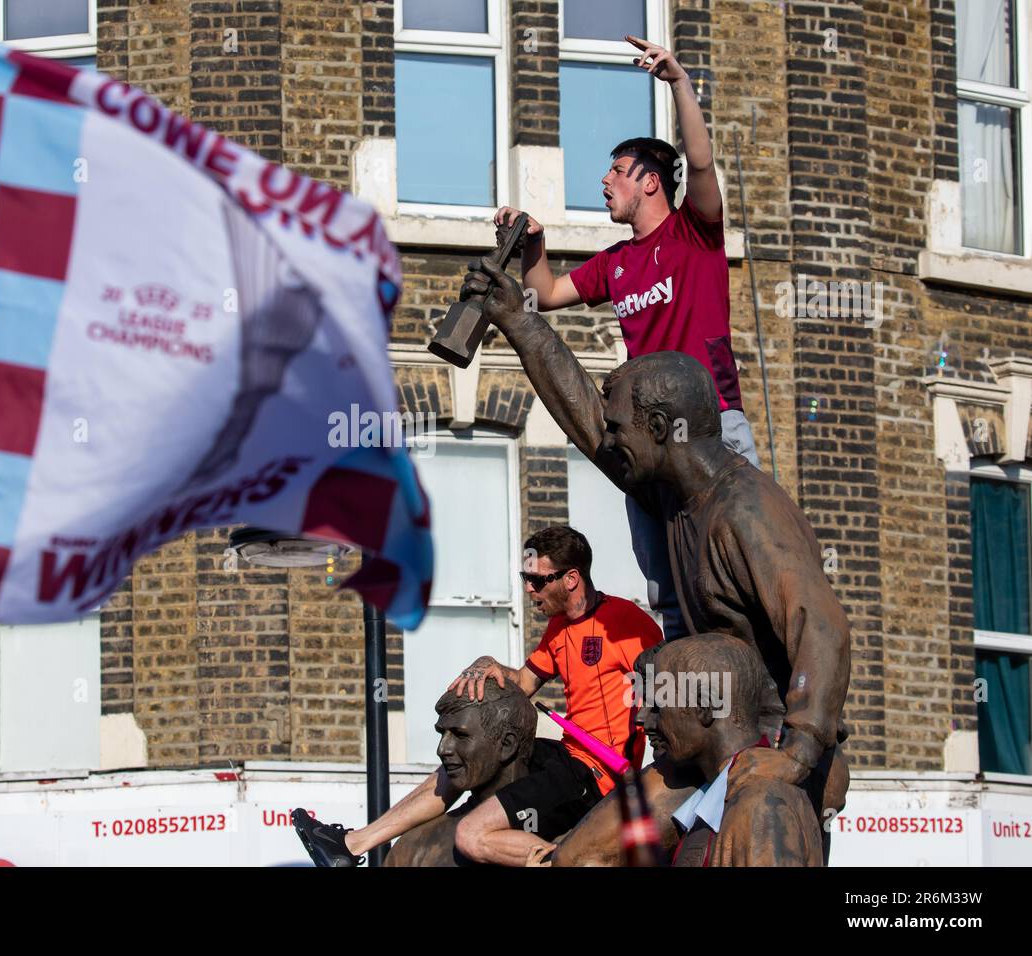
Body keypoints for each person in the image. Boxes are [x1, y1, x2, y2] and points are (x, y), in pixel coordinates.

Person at [460, 234, 851, 861]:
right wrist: (520, 321)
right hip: (698, 750)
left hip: (766, 751)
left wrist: (801, 751)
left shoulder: (747, 509)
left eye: (625, 430)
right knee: (576, 857)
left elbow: (822, 624)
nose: (612, 441)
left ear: (665, 429)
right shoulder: (671, 491)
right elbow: (591, 420)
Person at [488, 35, 757, 640]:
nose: (605, 180)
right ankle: (686, 673)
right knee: (666, 580)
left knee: (735, 569)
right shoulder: (616, 262)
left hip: (715, 427)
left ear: (652, 182)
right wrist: (533, 241)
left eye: (617, 169)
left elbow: (705, 166)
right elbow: (545, 295)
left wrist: (678, 82)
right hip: (651, 441)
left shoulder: (695, 233)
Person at [292, 524, 663, 867]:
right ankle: (352, 844)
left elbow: (659, 695)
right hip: (565, 753)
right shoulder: (558, 627)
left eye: (536, 579)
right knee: (467, 757)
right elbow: (524, 682)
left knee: (471, 835)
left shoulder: (628, 624)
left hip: (596, 775)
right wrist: (490, 663)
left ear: (570, 579)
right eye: (524, 577)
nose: (528, 589)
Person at [639, 634, 824, 866]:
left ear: (704, 707)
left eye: (658, 706)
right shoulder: (720, 802)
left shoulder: (761, 805)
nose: (644, 721)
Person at [382, 680, 538, 867]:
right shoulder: (414, 849)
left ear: (506, 745)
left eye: (460, 735)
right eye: (442, 734)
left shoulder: (569, 835)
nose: (442, 749)